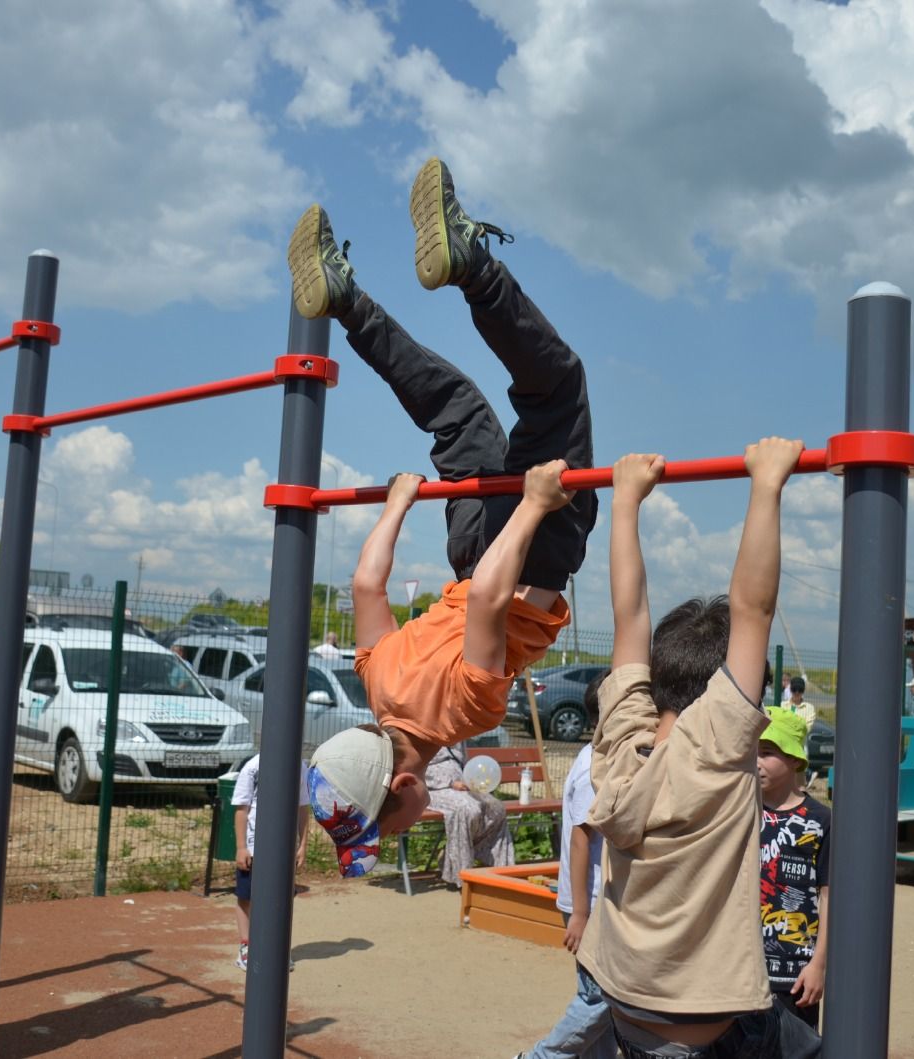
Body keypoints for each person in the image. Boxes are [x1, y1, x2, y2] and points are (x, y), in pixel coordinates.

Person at [298, 157, 595, 877]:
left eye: (388, 826)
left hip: (526, 559)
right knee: (453, 407)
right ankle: (345, 300)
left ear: (405, 785)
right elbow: (368, 586)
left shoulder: (462, 716)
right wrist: (398, 508)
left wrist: (532, 506)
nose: (398, 832)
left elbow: (495, 599)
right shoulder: (378, 684)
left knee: (556, 389)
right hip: (470, 551)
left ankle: (472, 265)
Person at [578, 440, 803, 1058]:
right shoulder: (719, 750)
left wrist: (623, 501)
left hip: (624, 1006)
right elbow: (754, 607)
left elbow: (630, 620)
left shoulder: (623, 743)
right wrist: (767, 484)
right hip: (705, 1031)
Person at [519, 674, 611, 1059]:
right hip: (588, 903)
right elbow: (580, 839)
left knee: (604, 1000)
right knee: (602, 995)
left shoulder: (600, 757)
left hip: (593, 901)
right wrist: (580, 913)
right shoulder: (595, 766)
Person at [757, 708, 830, 1039]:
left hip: (794, 976)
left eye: (768, 753)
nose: (756, 761)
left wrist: (818, 965)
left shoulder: (821, 821)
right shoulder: (738, 809)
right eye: (753, 751)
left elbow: (829, 897)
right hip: (741, 969)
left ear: (795, 761)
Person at [232, 753, 310, 970]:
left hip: (284, 851)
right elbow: (241, 808)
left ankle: (278, 949)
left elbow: (302, 807)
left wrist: (302, 844)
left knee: (282, 900)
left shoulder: (300, 766)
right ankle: (246, 947)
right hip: (254, 848)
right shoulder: (253, 766)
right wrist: (241, 847)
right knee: (247, 898)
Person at [423, 743, 514, 888]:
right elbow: (417, 767)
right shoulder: (424, 732)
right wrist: (450, 782)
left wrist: (471, 780)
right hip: (436, 789)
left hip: (462, 786)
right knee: (468, 809)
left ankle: (500, 868)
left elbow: (464, 762)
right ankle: (462, 872)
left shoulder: (458, 733)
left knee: (496, 808)